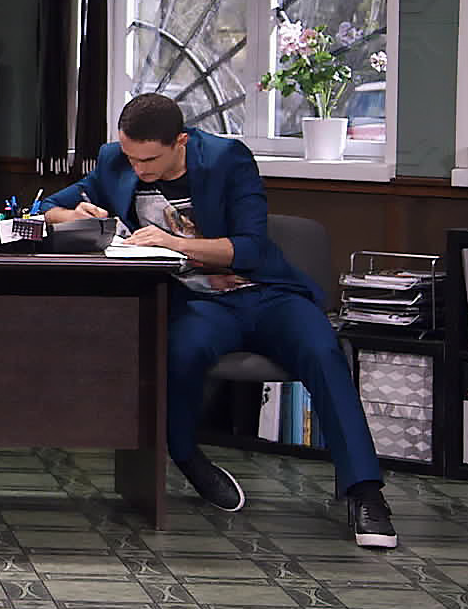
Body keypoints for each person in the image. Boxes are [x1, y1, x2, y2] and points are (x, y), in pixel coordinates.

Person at [40, 93, 398, 549]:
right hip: (198, 301)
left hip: (266, 293)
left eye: (149, 160)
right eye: (131, 158)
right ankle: (188, 458)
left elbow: (249, 247)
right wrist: (76, 214)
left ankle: (365, 492)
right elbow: (47, 207)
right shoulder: (116, 159)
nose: (138, 169)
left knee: (324, 352)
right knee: (177, 351)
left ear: (180, 142)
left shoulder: (228, 159)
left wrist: (174, 243)